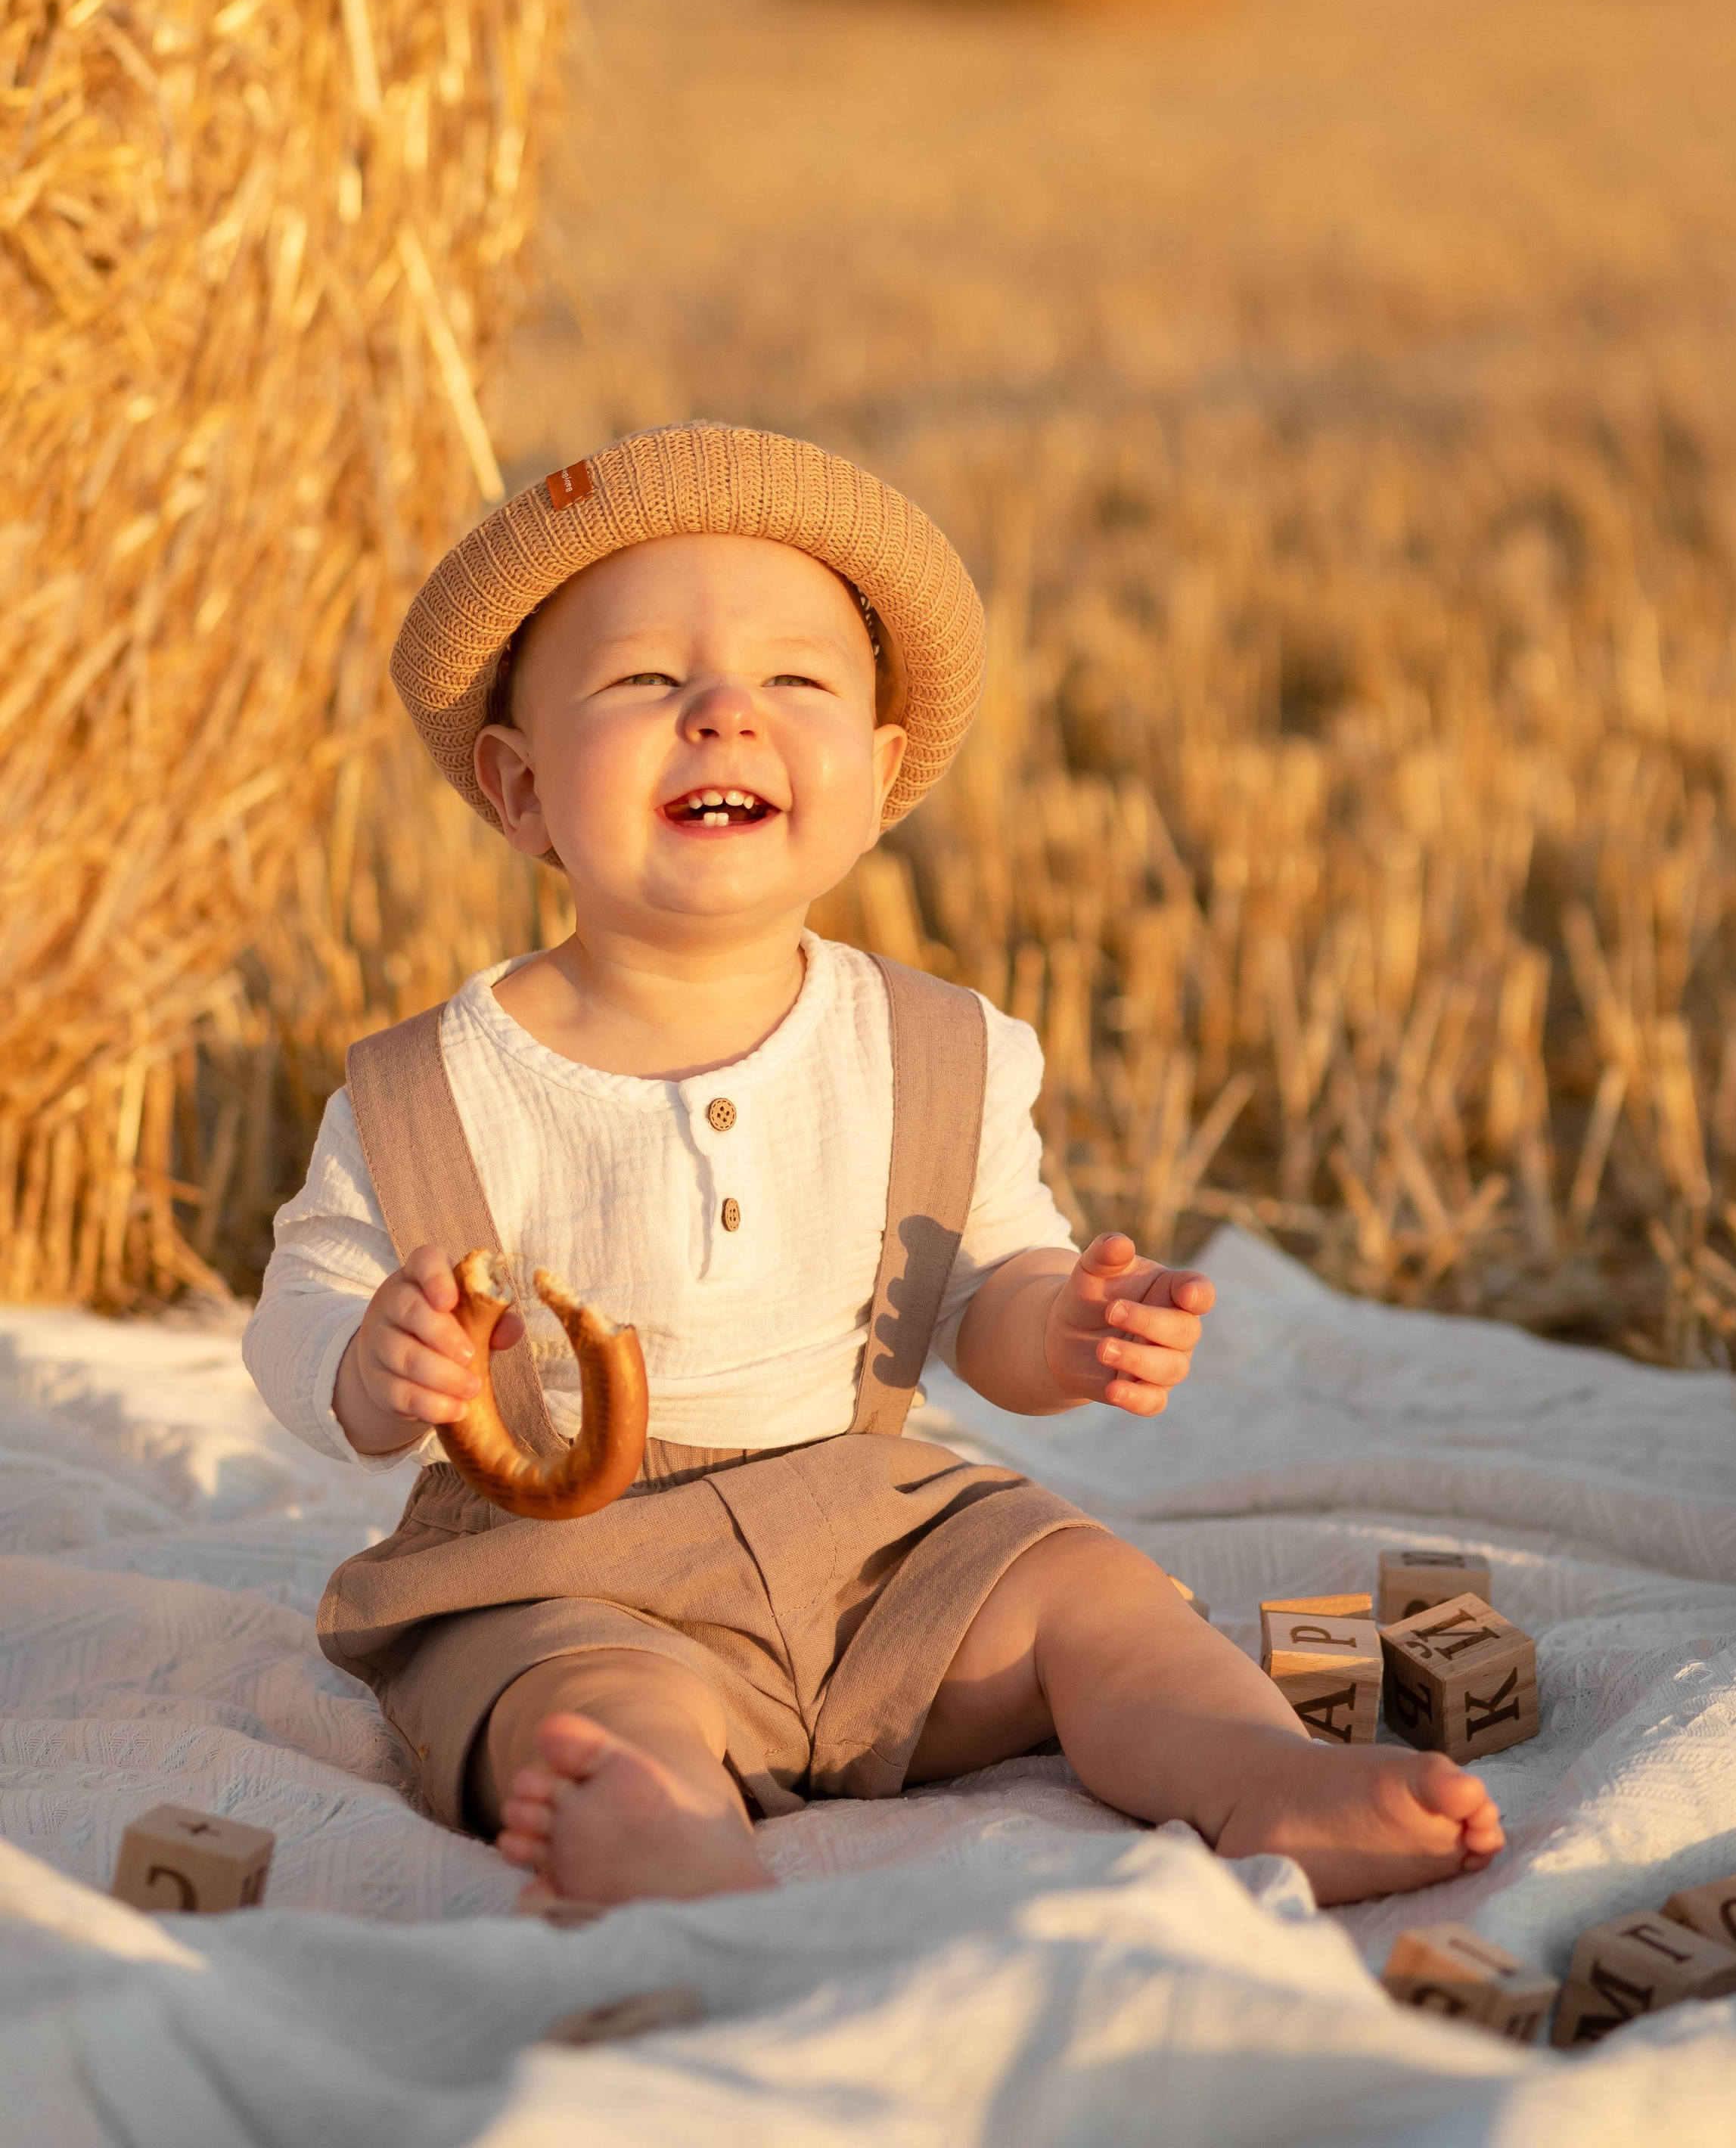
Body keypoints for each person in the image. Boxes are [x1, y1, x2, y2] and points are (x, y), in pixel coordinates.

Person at [244, 421, 1503, 1910]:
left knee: (1084, 1593)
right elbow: (303, 1300)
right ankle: (650, 1823)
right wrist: (366, 1363)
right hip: (566, 1574)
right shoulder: (434, 1084)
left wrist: (1064, 1321)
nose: (722, 712)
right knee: (576, 1702)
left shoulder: (937, 1048)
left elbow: (983, 1287)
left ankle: (1254, 1769)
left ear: (879, 771)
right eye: (647, 679)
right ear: (519, 789)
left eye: (794, 679)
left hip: (873, 1546)